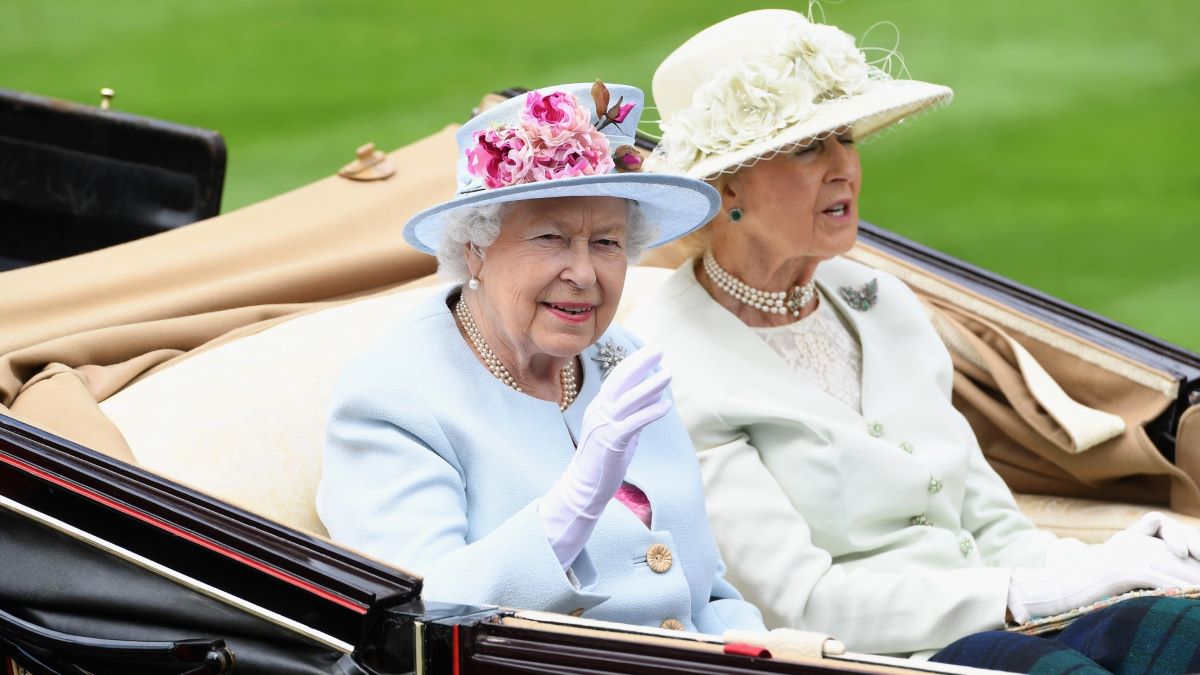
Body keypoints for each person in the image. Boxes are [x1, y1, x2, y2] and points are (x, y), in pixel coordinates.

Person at [628, 9, 1200, 670]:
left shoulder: (884, 303)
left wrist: (1122, 564)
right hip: (881, 656)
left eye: (845, 136)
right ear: (728, 184)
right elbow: (799, 601)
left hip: (1011, 619)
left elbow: (991, 526)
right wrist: (1036, 594)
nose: (845, 165)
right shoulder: (667, 361)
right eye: (810, 146)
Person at [316, 82, 768, 634]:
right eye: (551, 237)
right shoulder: (395, 395)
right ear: (473, 250)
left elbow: (710, 592)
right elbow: (420, 624)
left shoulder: (625, 357)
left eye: (607, 243)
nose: (583, 274)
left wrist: (769, 656)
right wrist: (573, 505)